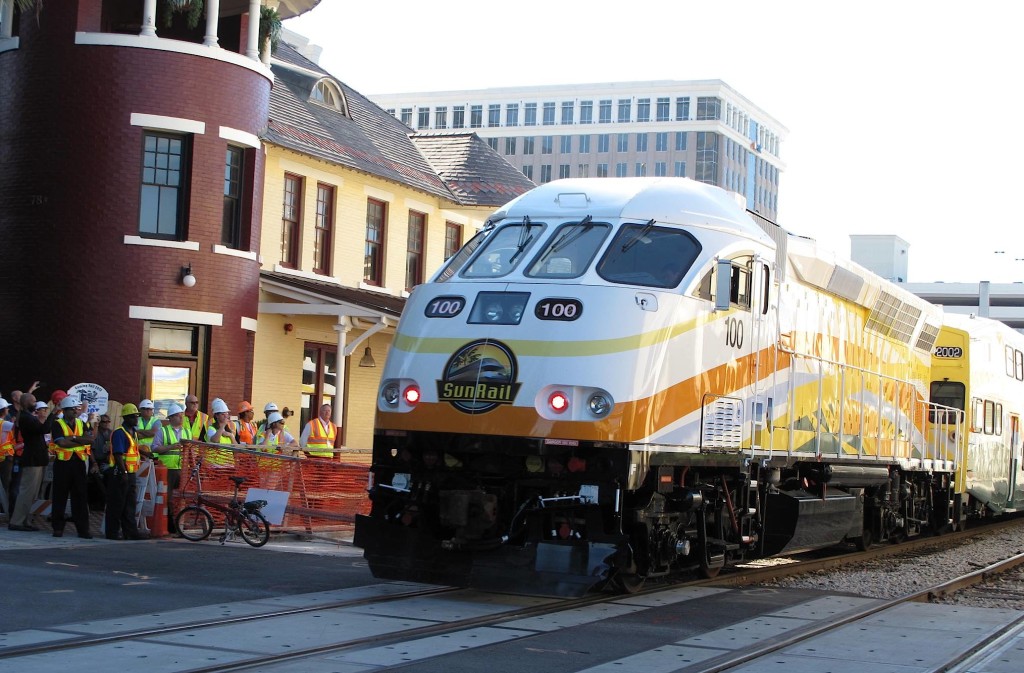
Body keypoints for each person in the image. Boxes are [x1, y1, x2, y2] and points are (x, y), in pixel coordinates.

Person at [49, 395, 95, 538]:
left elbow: (90, 439)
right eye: (73, 409)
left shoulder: (82, 424)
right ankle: (58, 527)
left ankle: (83, 529)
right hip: (63, 464)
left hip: (79, 463)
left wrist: (73, 439)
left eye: (77, 408)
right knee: (59, 496)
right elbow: (61, 443)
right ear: (65, 410)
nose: (76, 411)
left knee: (80, 496)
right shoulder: (58, 424)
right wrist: (80, 441)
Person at [8, 393, 54, 532]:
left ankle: (25, 520)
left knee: (32, 493)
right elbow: (43, 429)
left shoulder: (27, 416)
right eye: (33, 401)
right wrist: (53, 414)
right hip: (32, 459)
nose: (35, 403)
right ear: (27, 402)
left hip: (37, 458)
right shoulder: (26, 418)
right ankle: (17, 521)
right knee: (26, 491)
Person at [104, 403, 147, 540]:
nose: (137, 419)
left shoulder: (132, 432)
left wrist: (145, 453)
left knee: (130, 505)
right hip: (120, 473)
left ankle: (131, 532)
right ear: (127, 418)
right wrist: (124, 473)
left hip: (130, 473)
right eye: (134, 417)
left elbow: (131, 449)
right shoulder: (119, 433)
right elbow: (118, 454)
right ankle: (112, 533)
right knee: (117, 505)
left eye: (137, 416)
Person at [151, 403, 190, 529]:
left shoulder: (187, 432)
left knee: (182, 498)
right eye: (178, 415)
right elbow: (155, 448)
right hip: (167, 470)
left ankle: (180, 523)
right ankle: (169, 524)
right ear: (171, 417)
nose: (181, 417)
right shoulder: (163, 431)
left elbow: (192, 451)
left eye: (182, 415)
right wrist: (171, 447)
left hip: (183, 469)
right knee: (167, 498)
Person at [205, 398, 236, 467]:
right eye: (223, 414)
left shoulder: (229, 430)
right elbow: (215, 440)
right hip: (215, 466)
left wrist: (231, 435)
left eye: (227, 413)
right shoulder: (211, 428)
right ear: (216, 415)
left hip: (228, 465)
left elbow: (236, 446)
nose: (226, 416)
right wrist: (223, 426)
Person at [0, 399, 14, 513]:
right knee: (5, 484)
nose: (8, 410)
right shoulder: (5, 424)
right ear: (3, 410)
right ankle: (4, 508)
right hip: (4, 458)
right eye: (7, 408)